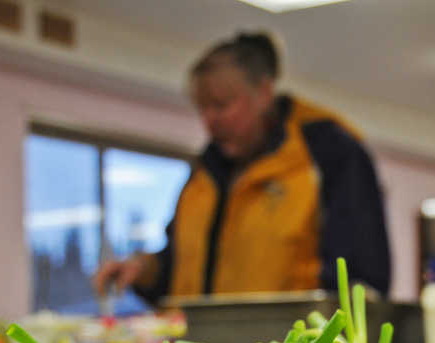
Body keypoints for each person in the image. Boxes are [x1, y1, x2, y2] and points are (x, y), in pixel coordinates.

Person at [93, 31, 391, 303]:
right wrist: (144, 269)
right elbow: (182, 268)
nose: (209, 121)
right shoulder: (204, 172)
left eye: (221, 105)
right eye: (202, 108)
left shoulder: (328, 153)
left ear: (263, 92)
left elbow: (363, 279)